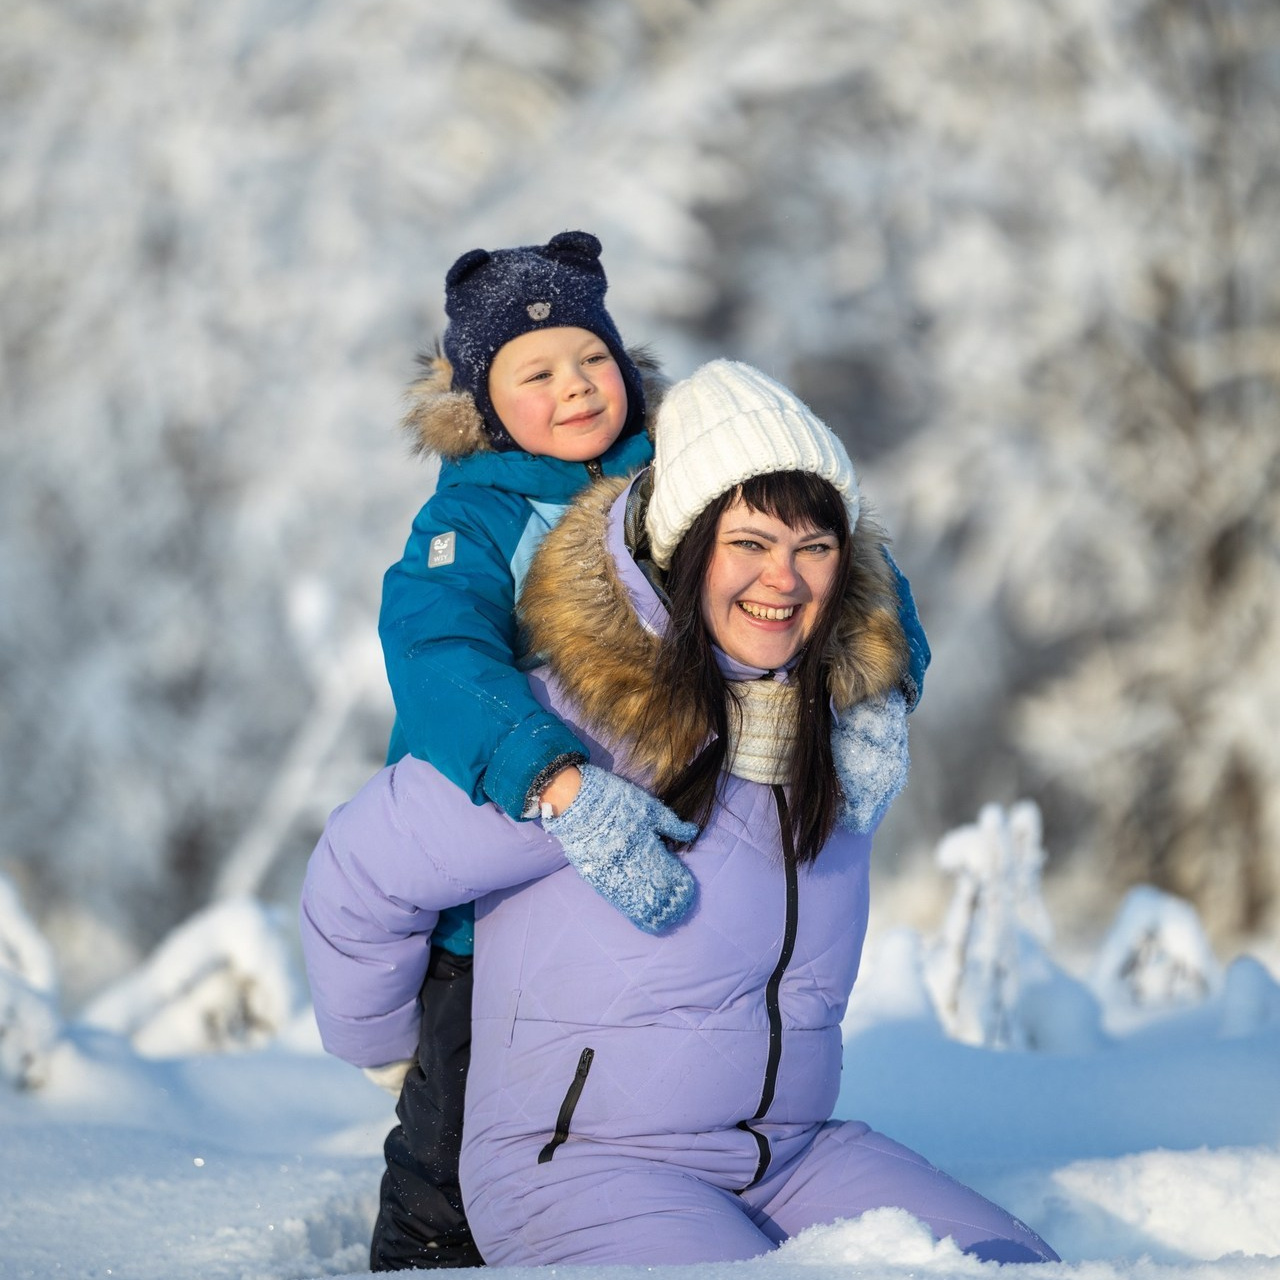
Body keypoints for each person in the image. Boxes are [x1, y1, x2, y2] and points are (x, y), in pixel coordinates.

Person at [302, 360, 1057, 1267]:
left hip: (788, 1157)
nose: (784, 579)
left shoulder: (831, 732)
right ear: (687, 546)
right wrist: (396, 1053)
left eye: (814, 547)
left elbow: (885, 614)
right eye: (749, 543)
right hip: (582, 1169)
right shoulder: (574, 729)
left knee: (1015, 1264)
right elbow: (358, 869)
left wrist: (881, 697)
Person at [367, 232, 931, 1269]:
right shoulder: (469, 522)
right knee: (453, 1120)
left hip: (656, 829)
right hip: (497, 840)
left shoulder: (681, 472)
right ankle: (425, 1251)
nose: (575, 387)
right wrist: (553, 773)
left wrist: (875, 691)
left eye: (592, 359)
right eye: (534, 373)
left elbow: (852, 565)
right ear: (486, 402)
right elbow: (439, 658)